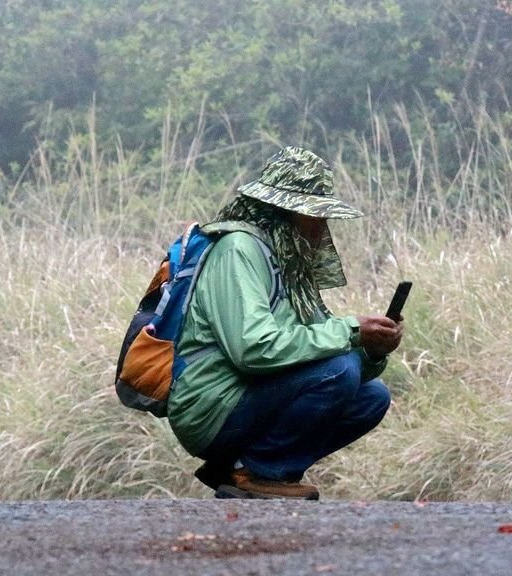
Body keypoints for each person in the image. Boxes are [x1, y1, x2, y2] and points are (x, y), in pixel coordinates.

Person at [167, 147, 403, 499]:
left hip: (248, 396)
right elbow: (253, 349)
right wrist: (351, 331)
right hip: (210, 406)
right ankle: (259, 472)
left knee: (371, 396)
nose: (321, 227)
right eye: (314, 215)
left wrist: (371, 350)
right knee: (339, 369)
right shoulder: (238, 251)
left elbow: (328, 355)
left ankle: (248, 471)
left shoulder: (285, 261)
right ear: (283, 211)